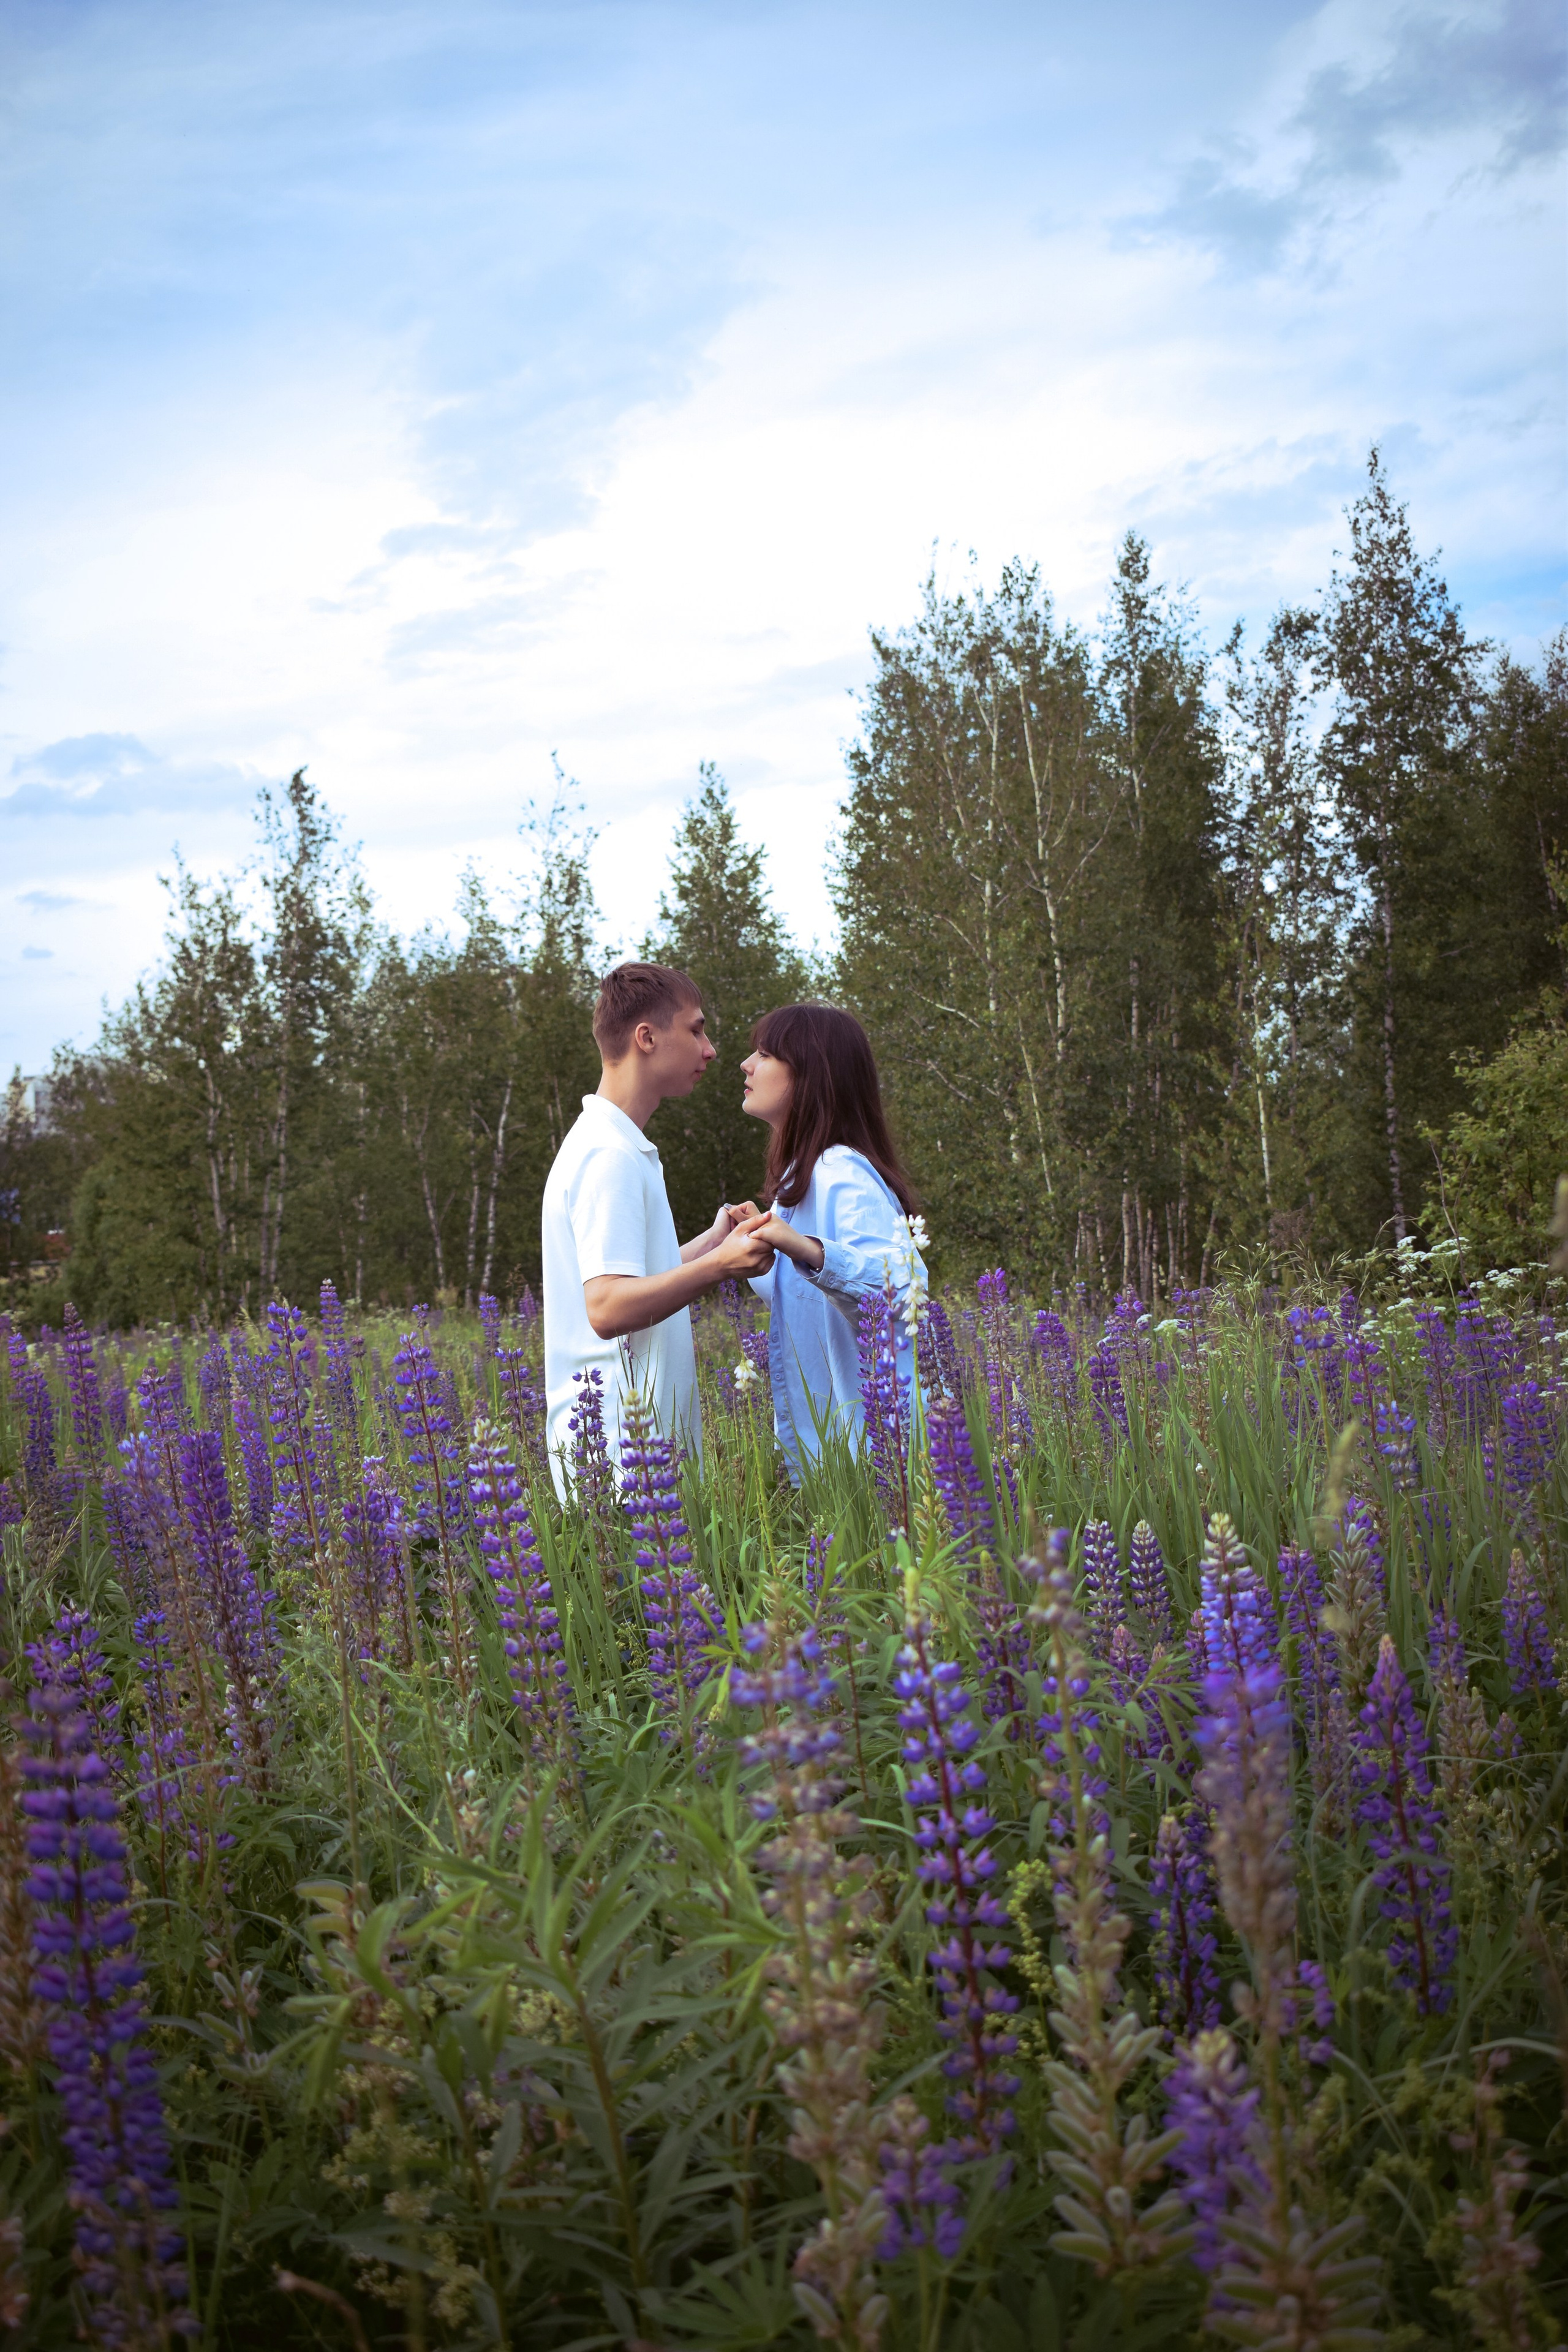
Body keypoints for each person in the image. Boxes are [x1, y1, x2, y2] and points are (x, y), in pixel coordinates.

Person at [541, 962, 775, 1493]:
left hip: (630, 1461)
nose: (711, 1049)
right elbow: (607, 1308)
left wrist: (710, 1244)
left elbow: (623, 1274)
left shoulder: (613, 1144)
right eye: (695, 1029)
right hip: (621, 1467)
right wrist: (719, 1267)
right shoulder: (609, 1156)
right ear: (646, 1037)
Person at [730, 1001, 925, 1482]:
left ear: (810, 1074)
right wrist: (756, 1241)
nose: (746, 1065)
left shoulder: (841, 1171)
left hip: (876, 1459)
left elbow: (902, 1289)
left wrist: (809, 1250)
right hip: (833, 1456)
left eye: (764, 1053)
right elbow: (800, 1296)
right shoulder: (801, 1179)